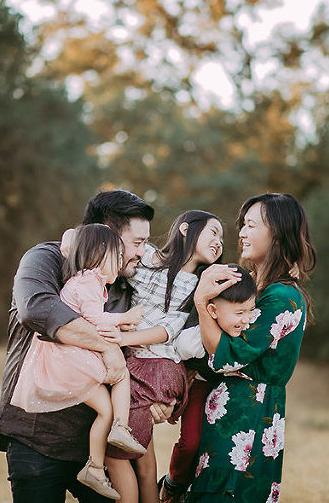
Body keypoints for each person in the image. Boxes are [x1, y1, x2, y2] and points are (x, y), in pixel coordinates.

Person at [0, 190, 173, 503]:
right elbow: (37, 309)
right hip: (36, 438)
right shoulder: (46, 258)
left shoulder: (126, 280)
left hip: (98, 448)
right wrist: (107, 349)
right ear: (105, 235)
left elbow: (154, 341)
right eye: (137, 242)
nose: (143, 253)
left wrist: (163, 397)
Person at [186, 193, 316, 503]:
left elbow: (230, 355)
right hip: (230, 412)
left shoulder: (282, 297)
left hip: (249, 417)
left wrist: (202, 302)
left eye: (251, 225)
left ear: (278, 233)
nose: (242, 233)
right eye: (242, 224)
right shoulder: (255, 288)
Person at [11, 224, 147, 499]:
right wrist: (122, 320)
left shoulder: (90, 281)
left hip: (69, 356)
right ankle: (119, 429)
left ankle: (98, 461)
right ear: (99, 252)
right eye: (118, 254)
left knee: (105, 407)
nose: (122, 261)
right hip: (68, 358)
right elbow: (91, 318)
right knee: (117, 381)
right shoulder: (88, 281)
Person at [104, 210, 224, 503]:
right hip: (151, 365)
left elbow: (168, 330)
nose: (220, 242)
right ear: (186, 229)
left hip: (153, 365)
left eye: (222, 238)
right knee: (143, 459)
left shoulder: (197, 285)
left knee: (115, 457)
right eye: (214, 232)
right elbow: (122, 264)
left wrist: (123, 338)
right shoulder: (148, 257)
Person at [158, 265, 259, 503]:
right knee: (191, 442)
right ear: (212, 310)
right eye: (238, 313)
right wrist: (178, 395)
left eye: (250, 311)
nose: (245, 320)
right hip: (201, 387)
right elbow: (175, 364)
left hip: (232, 390)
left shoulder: (249, 330)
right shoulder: (191, 340)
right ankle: (173, 483)